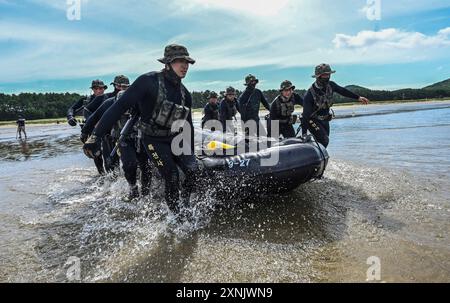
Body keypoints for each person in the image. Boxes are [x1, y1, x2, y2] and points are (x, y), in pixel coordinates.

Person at [83, 44, 200, 216]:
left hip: (175, 139)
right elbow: (119, 107)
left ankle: (185, 203)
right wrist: (95, 136)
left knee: (193, 171)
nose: (185, 66)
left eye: (187, 62)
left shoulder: (185, 94)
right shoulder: (148, 81)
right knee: (172, 176)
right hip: (153, 140)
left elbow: (187, 126)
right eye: (179, 61)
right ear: (168, 63)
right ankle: (176, 217)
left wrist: (189, 152)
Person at [82, 86, 152, 200]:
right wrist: (86, 133)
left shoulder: (141, 100)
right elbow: (96, 117)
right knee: (129, 165)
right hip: (122, 139)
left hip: (141, 137)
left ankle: (146, 194)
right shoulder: (110, 103)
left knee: (146, 166)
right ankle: (133, 188)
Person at [303, 64, 369, 147]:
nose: (327, 77)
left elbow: (343, 91)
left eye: (328, 74)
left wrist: (358, 97)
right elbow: (305, 115)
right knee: (324, 140)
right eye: (324, 75)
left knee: (324, 140)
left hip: (325, 120)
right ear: (318, 76)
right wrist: (304, 133)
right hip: (312, 120)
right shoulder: (309, 94)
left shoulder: (331, 85)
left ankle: (317, 157)